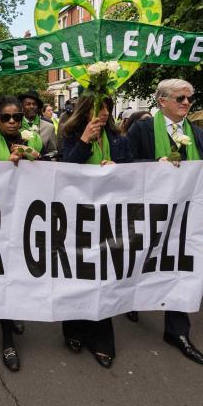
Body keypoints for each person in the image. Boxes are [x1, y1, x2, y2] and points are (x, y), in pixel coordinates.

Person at [126, 79, 203, 366]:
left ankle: (177, 331)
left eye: (189, 99)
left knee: (180, 265)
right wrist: (152, 164)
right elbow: (124, 163)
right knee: (144, 258)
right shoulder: (143, 129)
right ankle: (133, 300)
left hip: (186, 215)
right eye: (180, 98)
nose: (186, 103)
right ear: (162, 101)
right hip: (150, 211)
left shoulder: (195, 132)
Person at [59, 92, 132, 369]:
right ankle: (74, 328)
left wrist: (118, 168)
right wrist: (84, 140)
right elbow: (66, 169)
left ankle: (102, 338)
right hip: (77, 214)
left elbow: (134, 169)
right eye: (98, 108)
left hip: (108, 214)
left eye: (107, 108)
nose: (103, 113)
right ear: (85, 110)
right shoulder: (69, 133)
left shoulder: (117, 137)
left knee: (103, 273)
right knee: (77, 272)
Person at [0, 96, 39, 372]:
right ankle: (7, 341)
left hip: (26, 220)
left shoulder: (33, 141)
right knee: (3, 277)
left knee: (20, 274)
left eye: (17, 117)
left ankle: (14, 313)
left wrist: (31, 159)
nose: (12, 122)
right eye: (5, 117)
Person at [17, 90, 58, 159]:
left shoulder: (49, 127)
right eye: (28, 104)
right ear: (22, 107)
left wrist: (40, 157)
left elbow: (53, 152)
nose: (32, 106)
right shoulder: (16, 126)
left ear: (38, 107)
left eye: (34, 104)